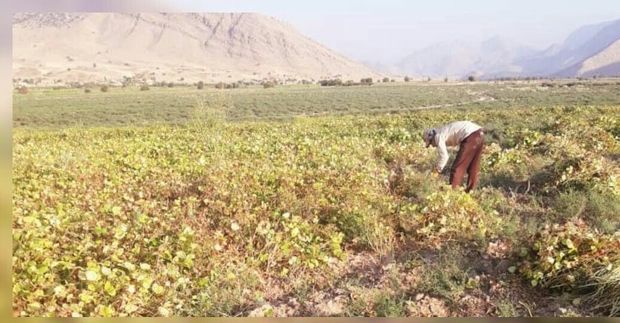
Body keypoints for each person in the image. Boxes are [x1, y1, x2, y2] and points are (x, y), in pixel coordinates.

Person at [422, 121, 484, 192]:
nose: (432, 146)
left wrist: (437, 170)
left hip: (470, 135)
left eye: (430, 143)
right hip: (479, 133)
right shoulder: (442, 131)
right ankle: (471, 191)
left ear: (431, 138)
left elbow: (444, 157)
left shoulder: (437, 136)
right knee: (473, 167)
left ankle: (452, 193)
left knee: (457, 168)